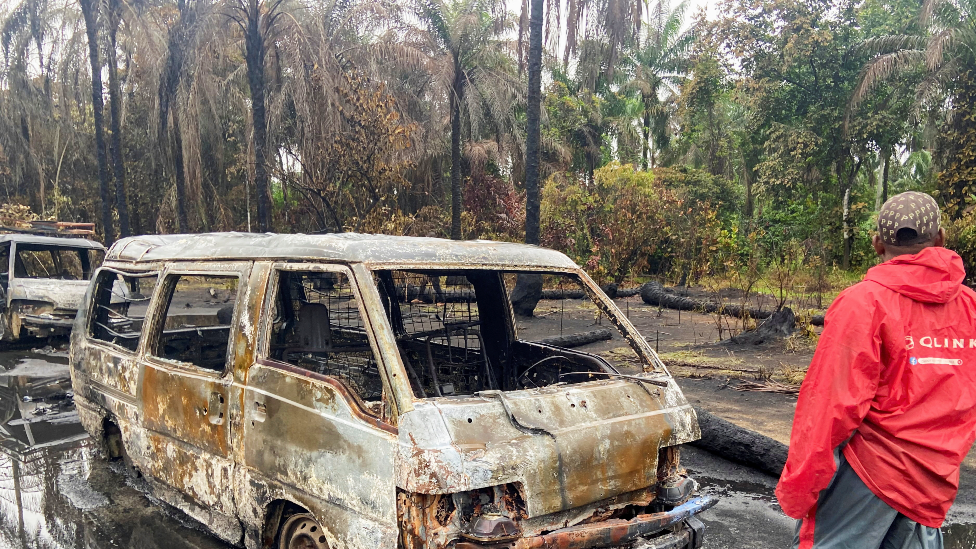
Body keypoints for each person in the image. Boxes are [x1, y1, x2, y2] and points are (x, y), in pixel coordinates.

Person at [776, 191, 976, 549]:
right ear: (941, 239)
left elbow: (828, 408)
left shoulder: (863, 303)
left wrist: (800, 488)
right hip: (933, 482)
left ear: (876, 244)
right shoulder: (971, 310)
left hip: (865, 475)